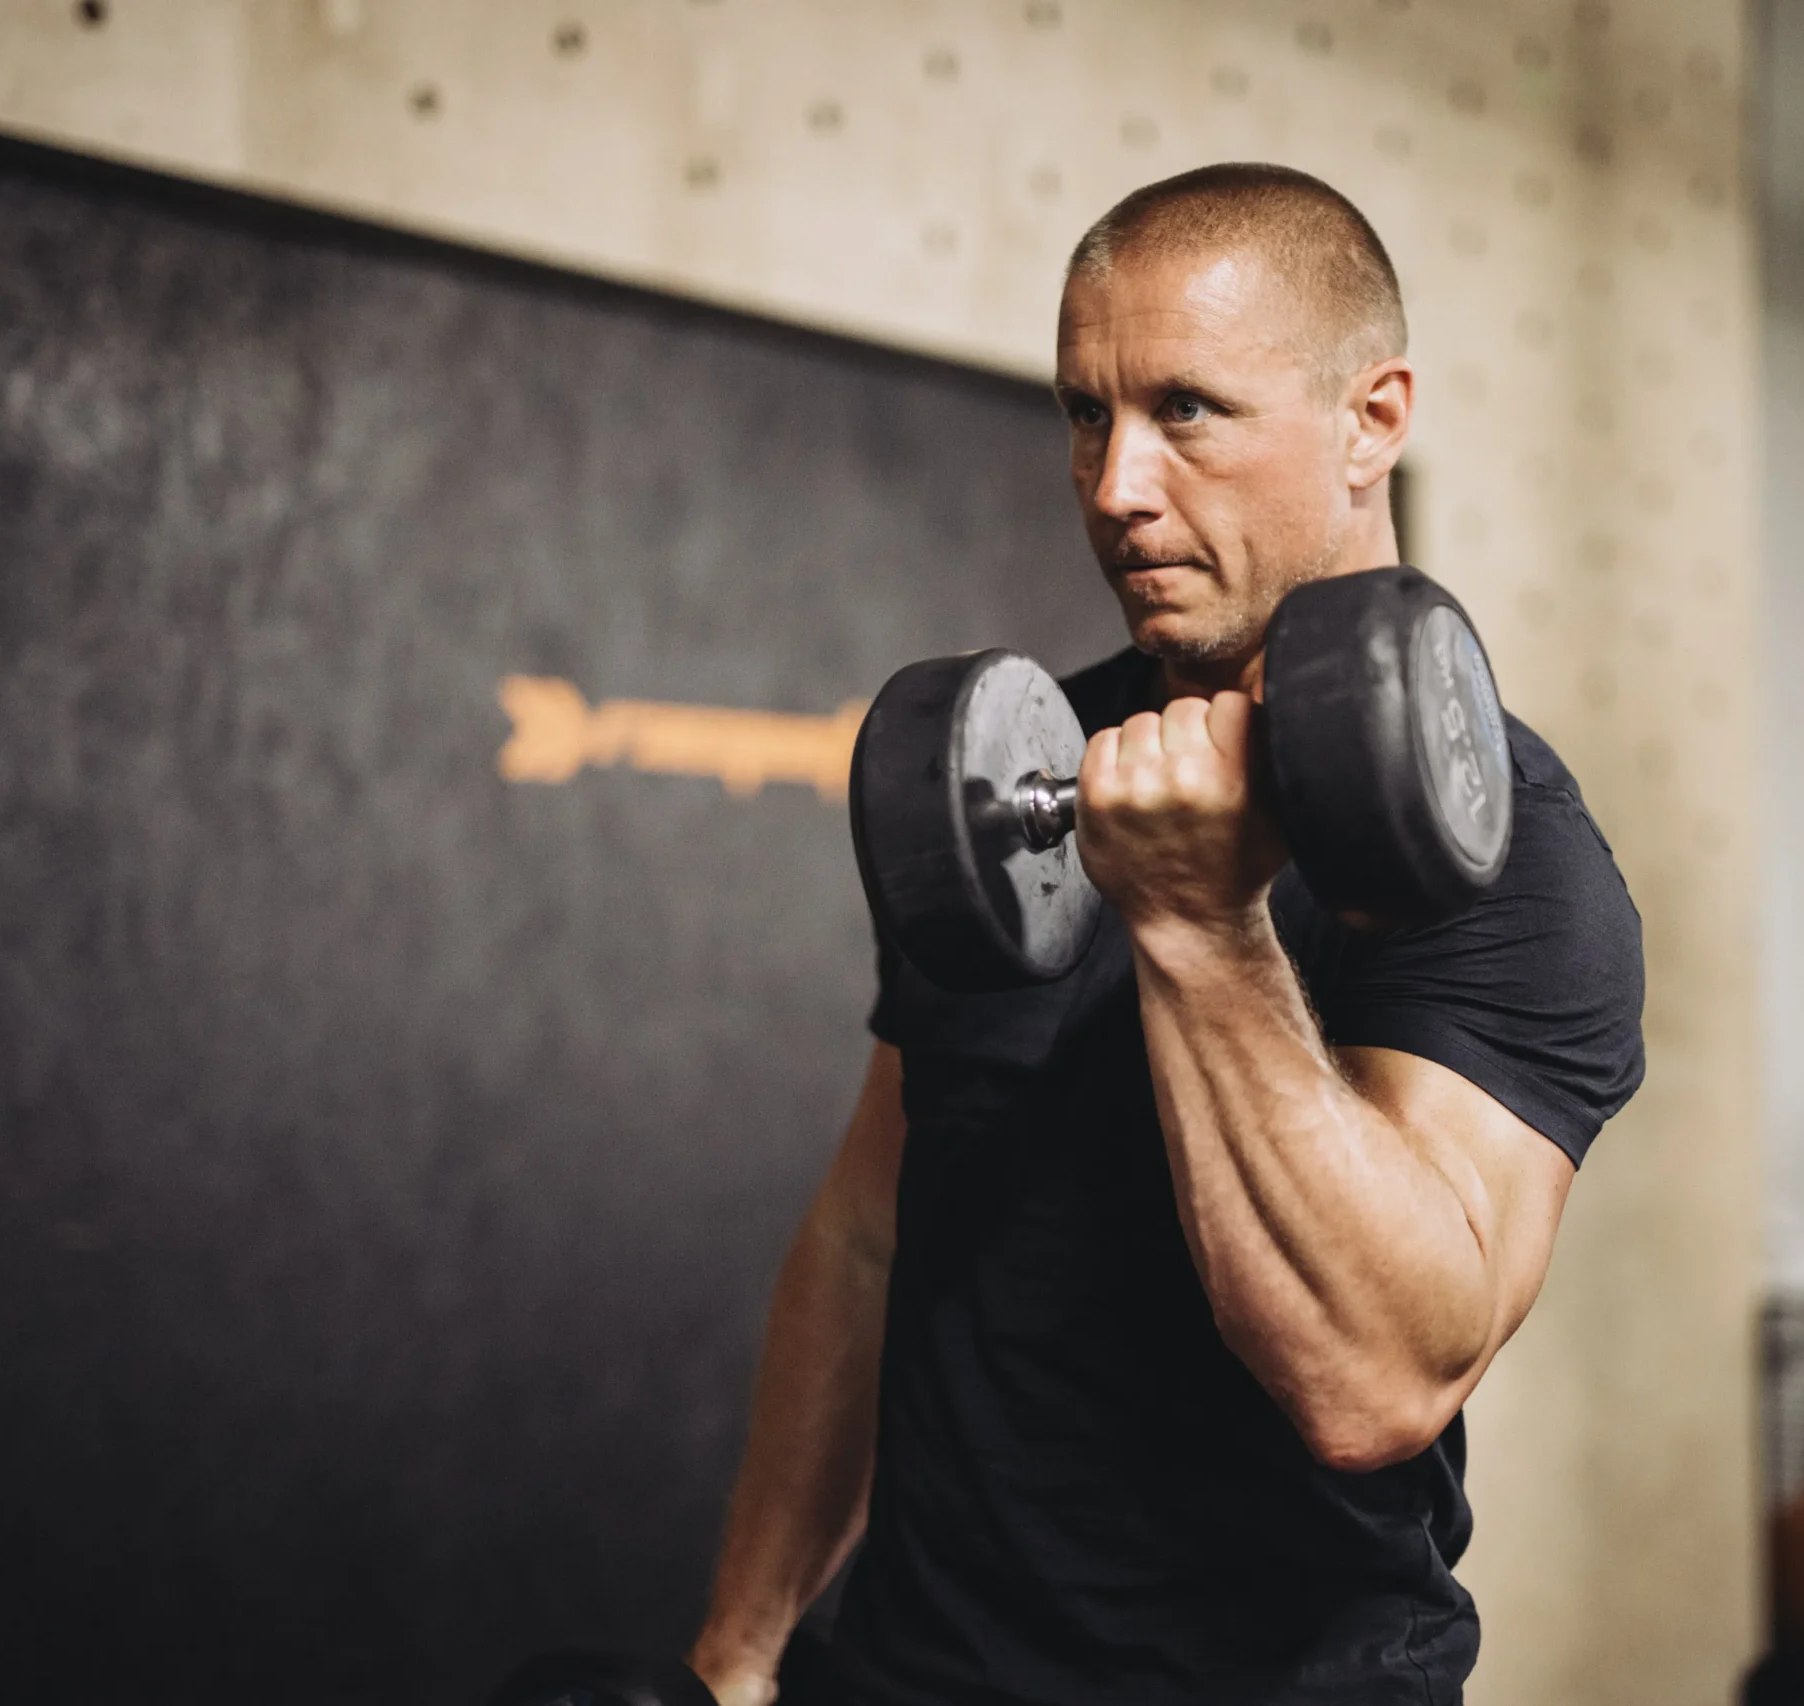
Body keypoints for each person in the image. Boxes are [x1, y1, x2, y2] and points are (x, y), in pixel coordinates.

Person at [687, 163, 1646, 1706]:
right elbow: (871, 1230)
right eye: (1086, 412)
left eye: (1188, 409)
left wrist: (1202, 928)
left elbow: (1381, 1376)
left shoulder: (1516, 856)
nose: (1118, 484)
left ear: (1373, 418)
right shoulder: (1018, 768)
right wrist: (739, 1656)